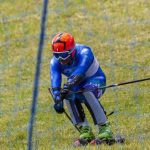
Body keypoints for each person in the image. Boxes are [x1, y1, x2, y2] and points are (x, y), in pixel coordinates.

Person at [50, 32, 113, 143]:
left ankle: (104, 128)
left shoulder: (85, 52)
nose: (60, 59)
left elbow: (79, 73)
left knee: (86, 91)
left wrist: (66, 87)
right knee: (69, 94)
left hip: (96, 80)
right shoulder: (55, 62)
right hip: (76, 85)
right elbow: (55, 81)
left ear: (72, 51)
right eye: (56, 55)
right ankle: (85, 129)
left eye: (63, 55)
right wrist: (57, 98)